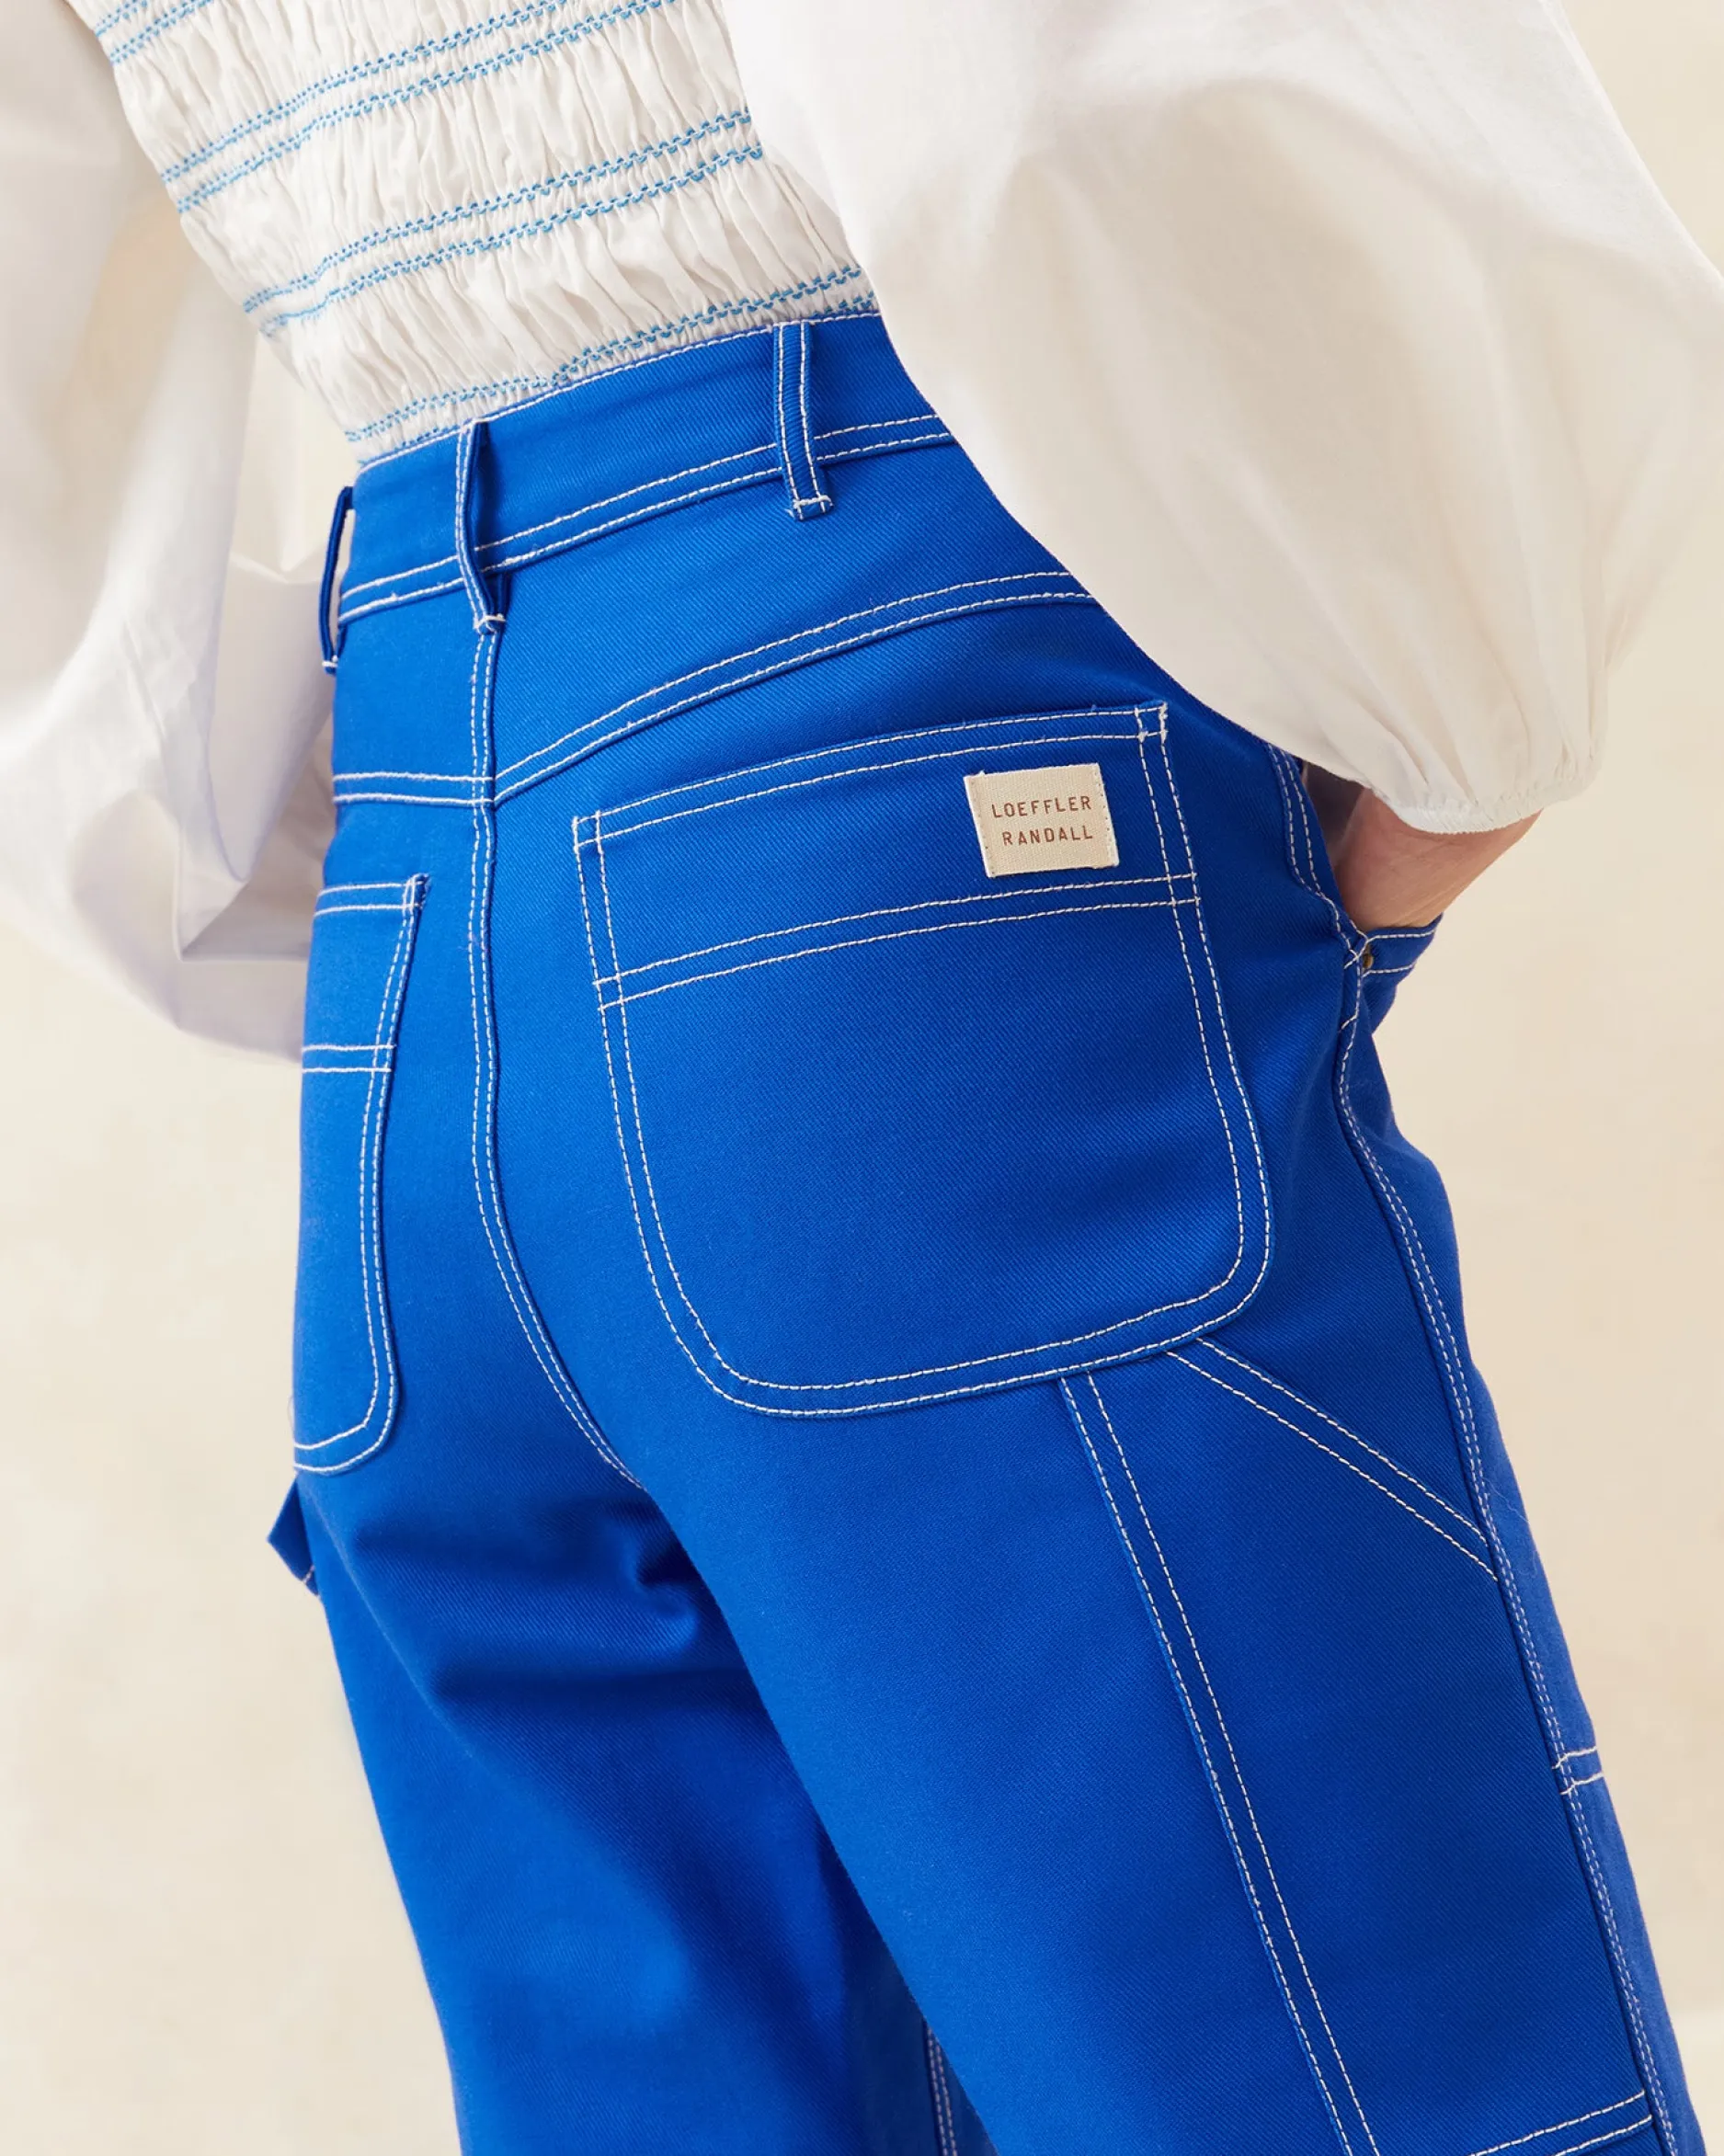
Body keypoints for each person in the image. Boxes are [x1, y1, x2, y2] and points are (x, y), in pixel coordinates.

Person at [3, 4, 1720, 2151]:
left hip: (425, 980)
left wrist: (439, 916)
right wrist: (1474, 666)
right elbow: (1020, 87)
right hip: (894, 783)